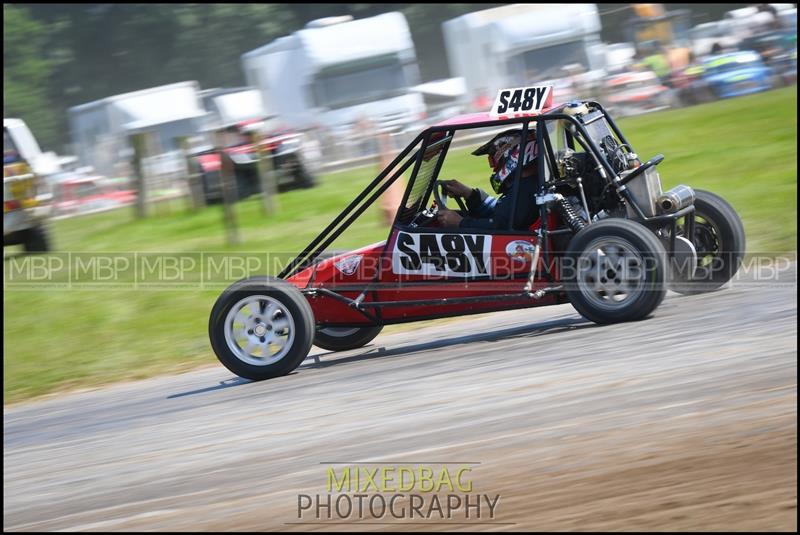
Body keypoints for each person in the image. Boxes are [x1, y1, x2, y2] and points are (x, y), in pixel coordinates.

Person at [436, 128, 540, 231]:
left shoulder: (524, 191)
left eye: (494, 160)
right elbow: (500, 214)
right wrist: (470, 195)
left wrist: (460, 222)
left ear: (513, 155)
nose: (493, 167)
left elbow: (499, 227)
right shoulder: (527, 185)